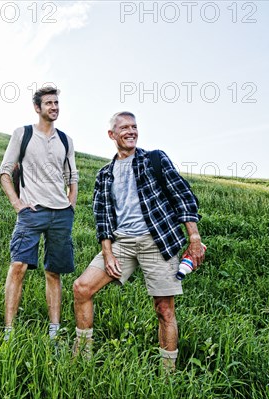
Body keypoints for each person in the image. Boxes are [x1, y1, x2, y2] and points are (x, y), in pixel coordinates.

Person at [72, 111, 204, 371]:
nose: (131, 131)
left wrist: (194, 237)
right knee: (81, 288)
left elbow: (182, 195)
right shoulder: (104, 174)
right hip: (122, 243)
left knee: (164, 309)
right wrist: (107, 252)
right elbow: (103, 219)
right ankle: (82, 358)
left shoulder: (154, 159)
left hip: (156, 241)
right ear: (112, 134)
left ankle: (168, 375)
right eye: (124, 128)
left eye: (134, 126)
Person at [0, 86, 79, 341]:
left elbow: (72, 177)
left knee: (54, 272)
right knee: (18, 266)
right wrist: (17, 203)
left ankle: (54, 332)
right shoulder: (23, 134)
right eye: (49, 103)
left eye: (56, 103)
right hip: (31, 212)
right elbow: (4, 172)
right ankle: (9, 331)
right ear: (37, 108)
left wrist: (70, 205)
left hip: (60, 214)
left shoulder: (65, 139)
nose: (54, 107)